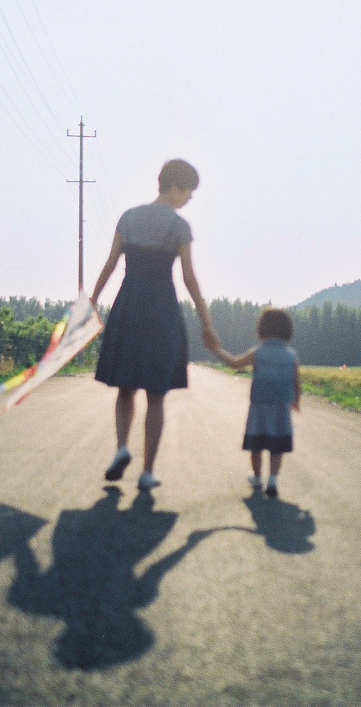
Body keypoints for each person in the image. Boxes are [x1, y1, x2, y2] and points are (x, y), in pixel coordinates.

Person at [90, 159, 222, 490]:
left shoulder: (128, 217)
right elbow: (189, 279)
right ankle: (147, 471)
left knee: (125, 387)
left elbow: (109, 265)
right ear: (175, 186)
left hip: (129, 304)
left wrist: (91, 303)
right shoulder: (179, 226)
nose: (189, 199)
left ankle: (122, 448)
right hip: (161, 307)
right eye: (189, 191)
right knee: (156, 394)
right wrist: (206, 322)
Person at [214, 308, 300, 497]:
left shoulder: (258, 353)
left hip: (259, 406)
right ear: (287, 330)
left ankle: (257, 477)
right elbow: (296, 380)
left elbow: (234, 363)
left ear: (261, 329)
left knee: (257, 443)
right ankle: (273, 479)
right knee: (277, 445)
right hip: (281, 407)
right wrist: (296, 401)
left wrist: (217, 350)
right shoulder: (291, 355)